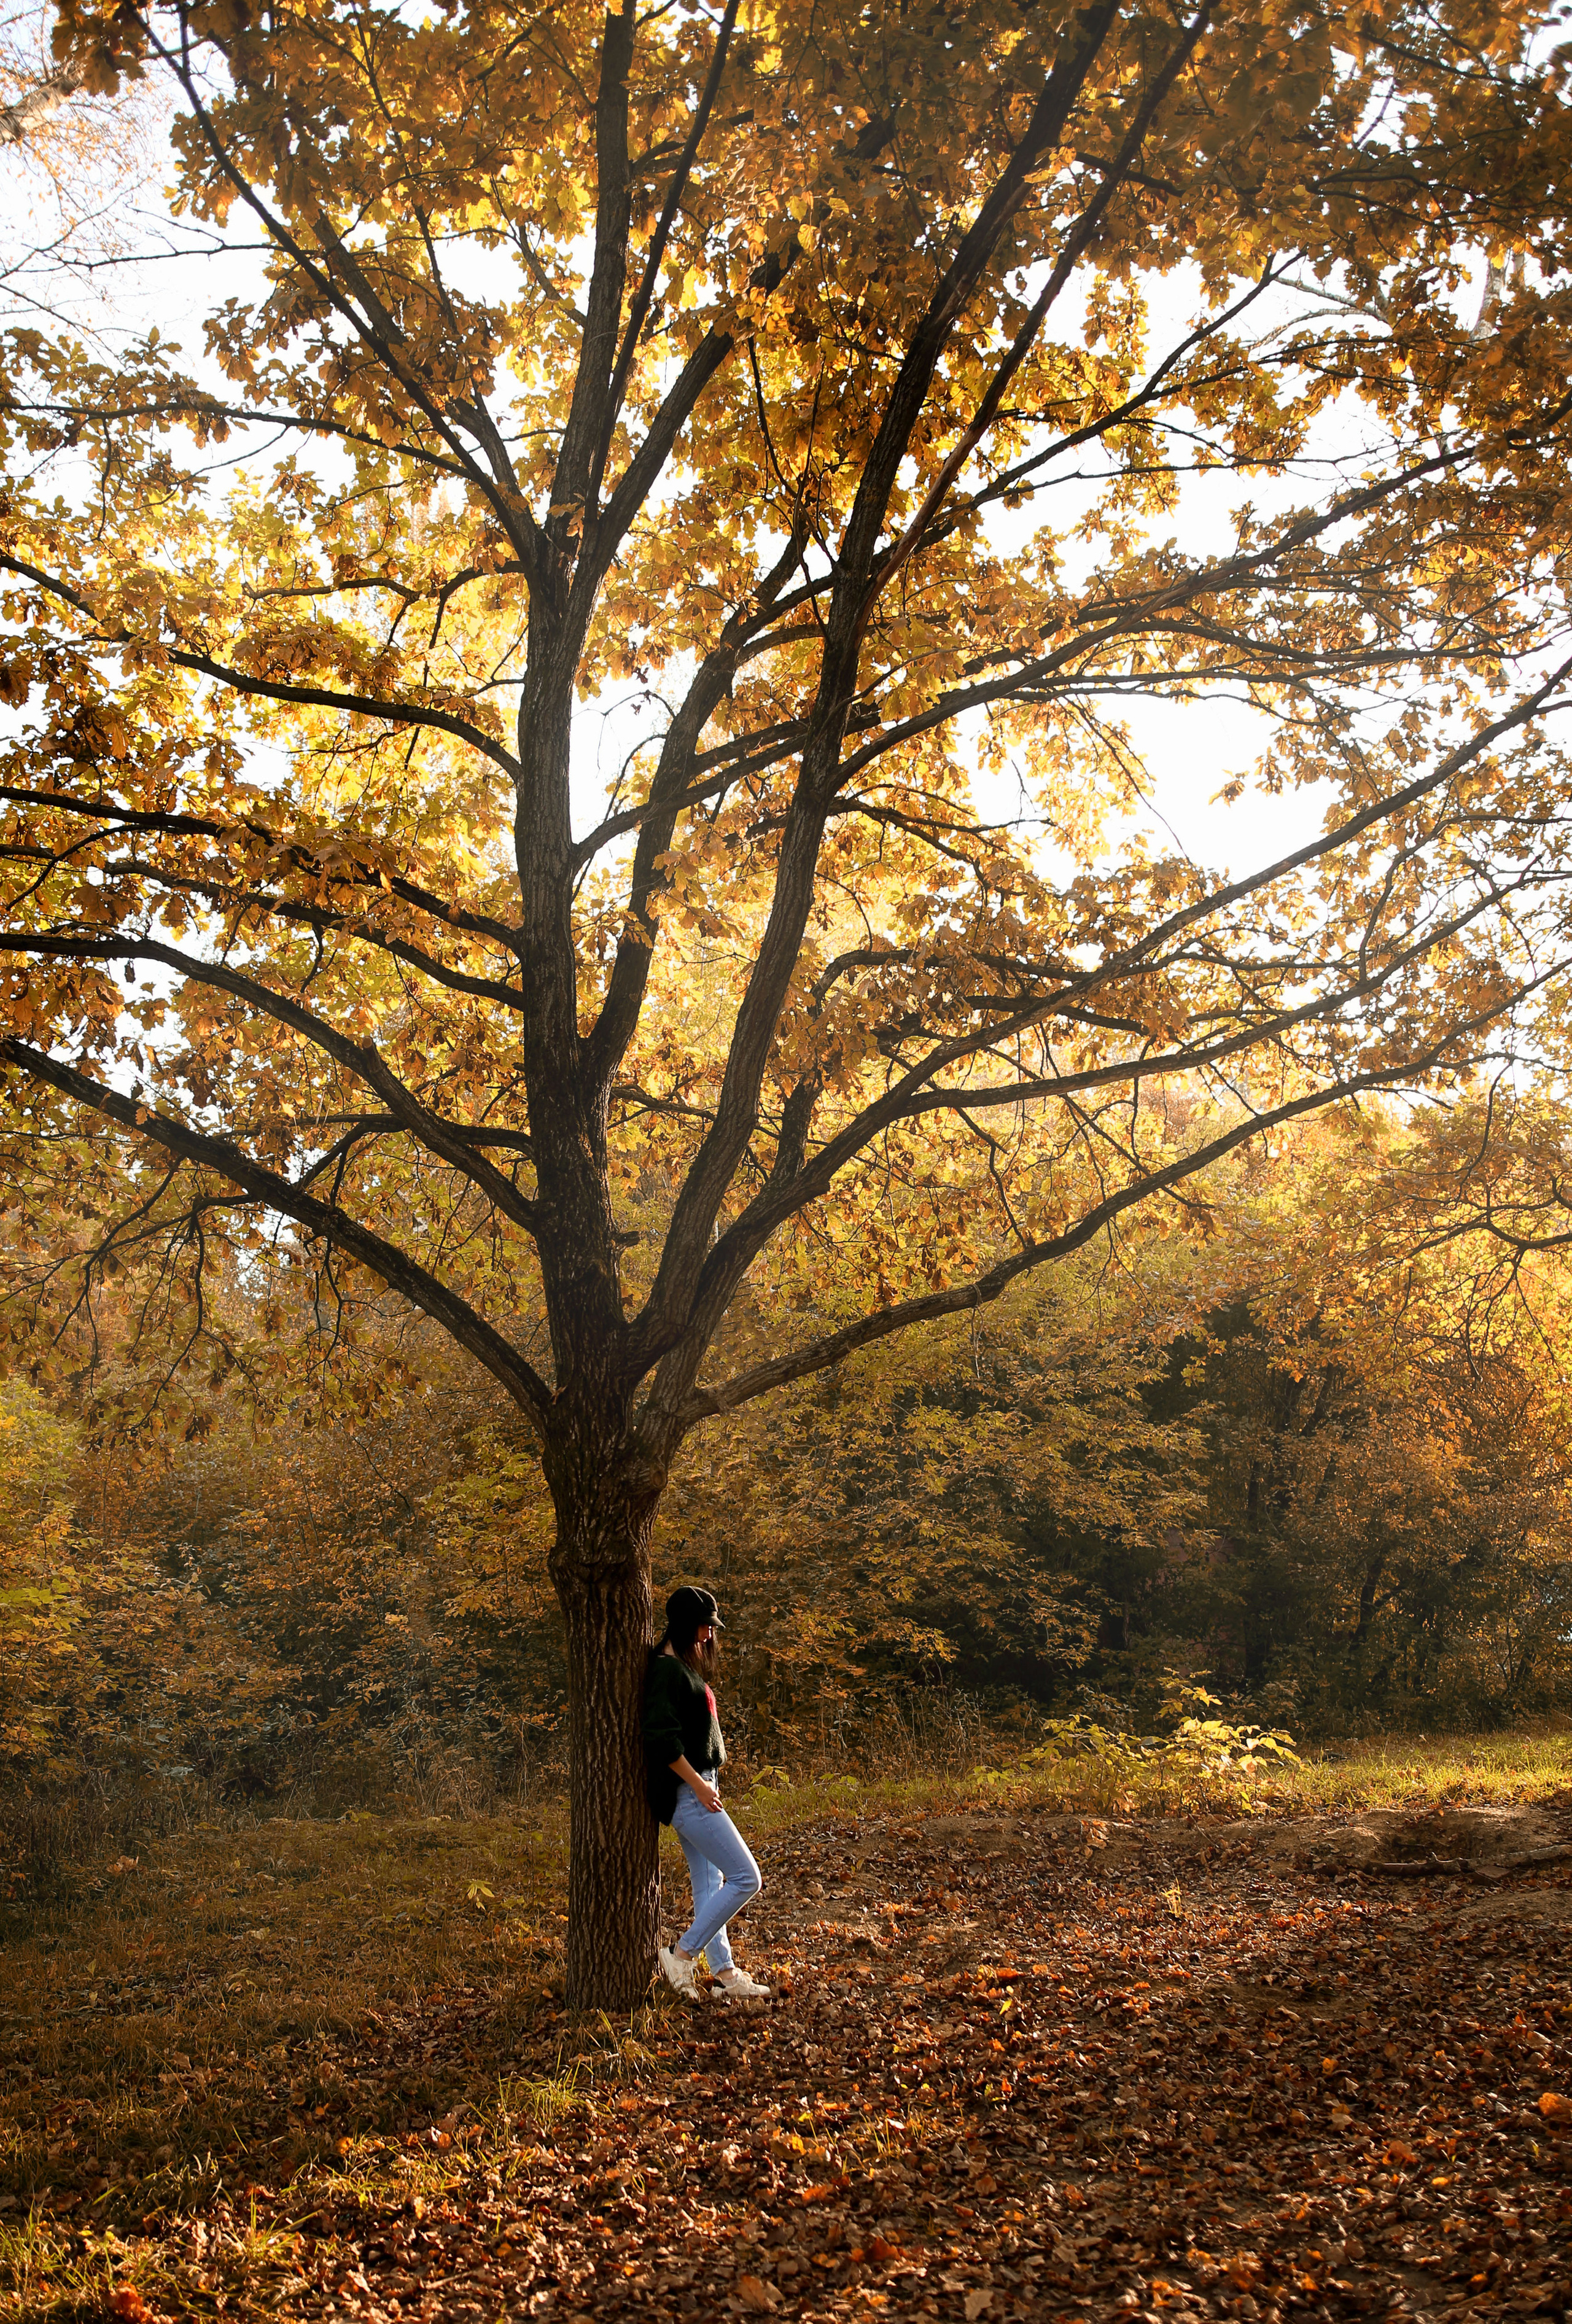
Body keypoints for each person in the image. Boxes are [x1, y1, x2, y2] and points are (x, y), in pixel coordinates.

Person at [642, 1585, 769, 2002]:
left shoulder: (681, 1665)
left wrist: (706, 1782)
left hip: (699, 1789)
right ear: (683, 1624)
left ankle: (726, 1975)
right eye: (704, 1626)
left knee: (710, 1885)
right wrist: (699, 1785)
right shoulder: (666, 1670)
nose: (709, 1634)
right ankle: (681, 1955)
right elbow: (661, 1739)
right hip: (689, 1794)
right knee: (747, 1877)